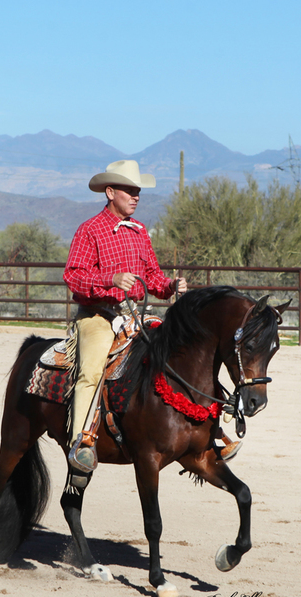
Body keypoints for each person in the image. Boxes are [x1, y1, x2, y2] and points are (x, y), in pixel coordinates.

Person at [63, 160, 240, 473]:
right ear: (109, 192)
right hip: (97, 316)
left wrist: (170, 285)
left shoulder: (139, 231)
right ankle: (83, 440)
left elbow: (152, 277)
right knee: (90, 372)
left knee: (181, 354)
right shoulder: (90, 230)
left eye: (137, 191)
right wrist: (110, 280)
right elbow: (73, 277)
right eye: (129, 190)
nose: (136, 196)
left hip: (134, 317)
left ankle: (212, 430)